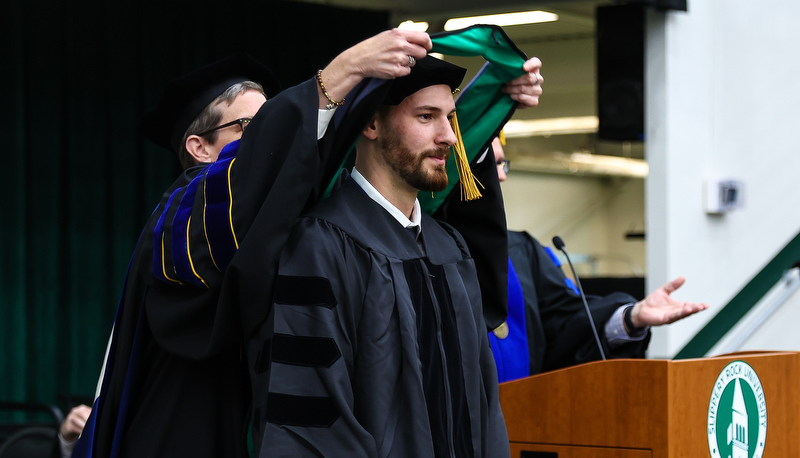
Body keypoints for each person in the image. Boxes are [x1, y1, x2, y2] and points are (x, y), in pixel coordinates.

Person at [74, 29, 439, 458]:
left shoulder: (283, 208)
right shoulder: (184, 212)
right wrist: (343, 73)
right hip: (182, 433)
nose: (271, 137)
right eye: (253, 126)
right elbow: (253, 177)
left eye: (270, 122)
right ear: (199, 147)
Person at [251, 55, 542, 457]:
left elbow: (484, 405)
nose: (449, 137)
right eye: (426, 117)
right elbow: (313, 413)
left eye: (450, 119)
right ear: (370, 123)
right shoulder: (321, 245)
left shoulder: (451, 249)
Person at [489, 136, 709, 381]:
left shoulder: (522, 253)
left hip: (527, 413)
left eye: (503, 164)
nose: (502, 175)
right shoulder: (439, 256)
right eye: (493, 164)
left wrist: (631, 317)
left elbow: (566, 327)